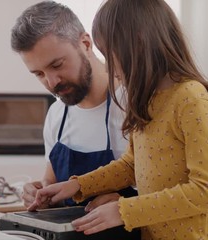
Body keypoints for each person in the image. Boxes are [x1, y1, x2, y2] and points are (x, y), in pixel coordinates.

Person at [29, 0, 208, 239]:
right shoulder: (146, 98)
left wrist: (124, 210)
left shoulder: (190, 98)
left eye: (110, 53)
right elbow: (132, 164)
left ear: (138, 42)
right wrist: (77, 185)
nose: (109, 65)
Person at [11, 1, 137, 208]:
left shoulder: (135, 104)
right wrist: (40, 193)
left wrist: (128, 204)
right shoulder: (56, 114)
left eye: (57, 65)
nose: (51, 82)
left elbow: (177, 188)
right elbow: (50, 181)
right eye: (39, 74)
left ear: (86, 44)